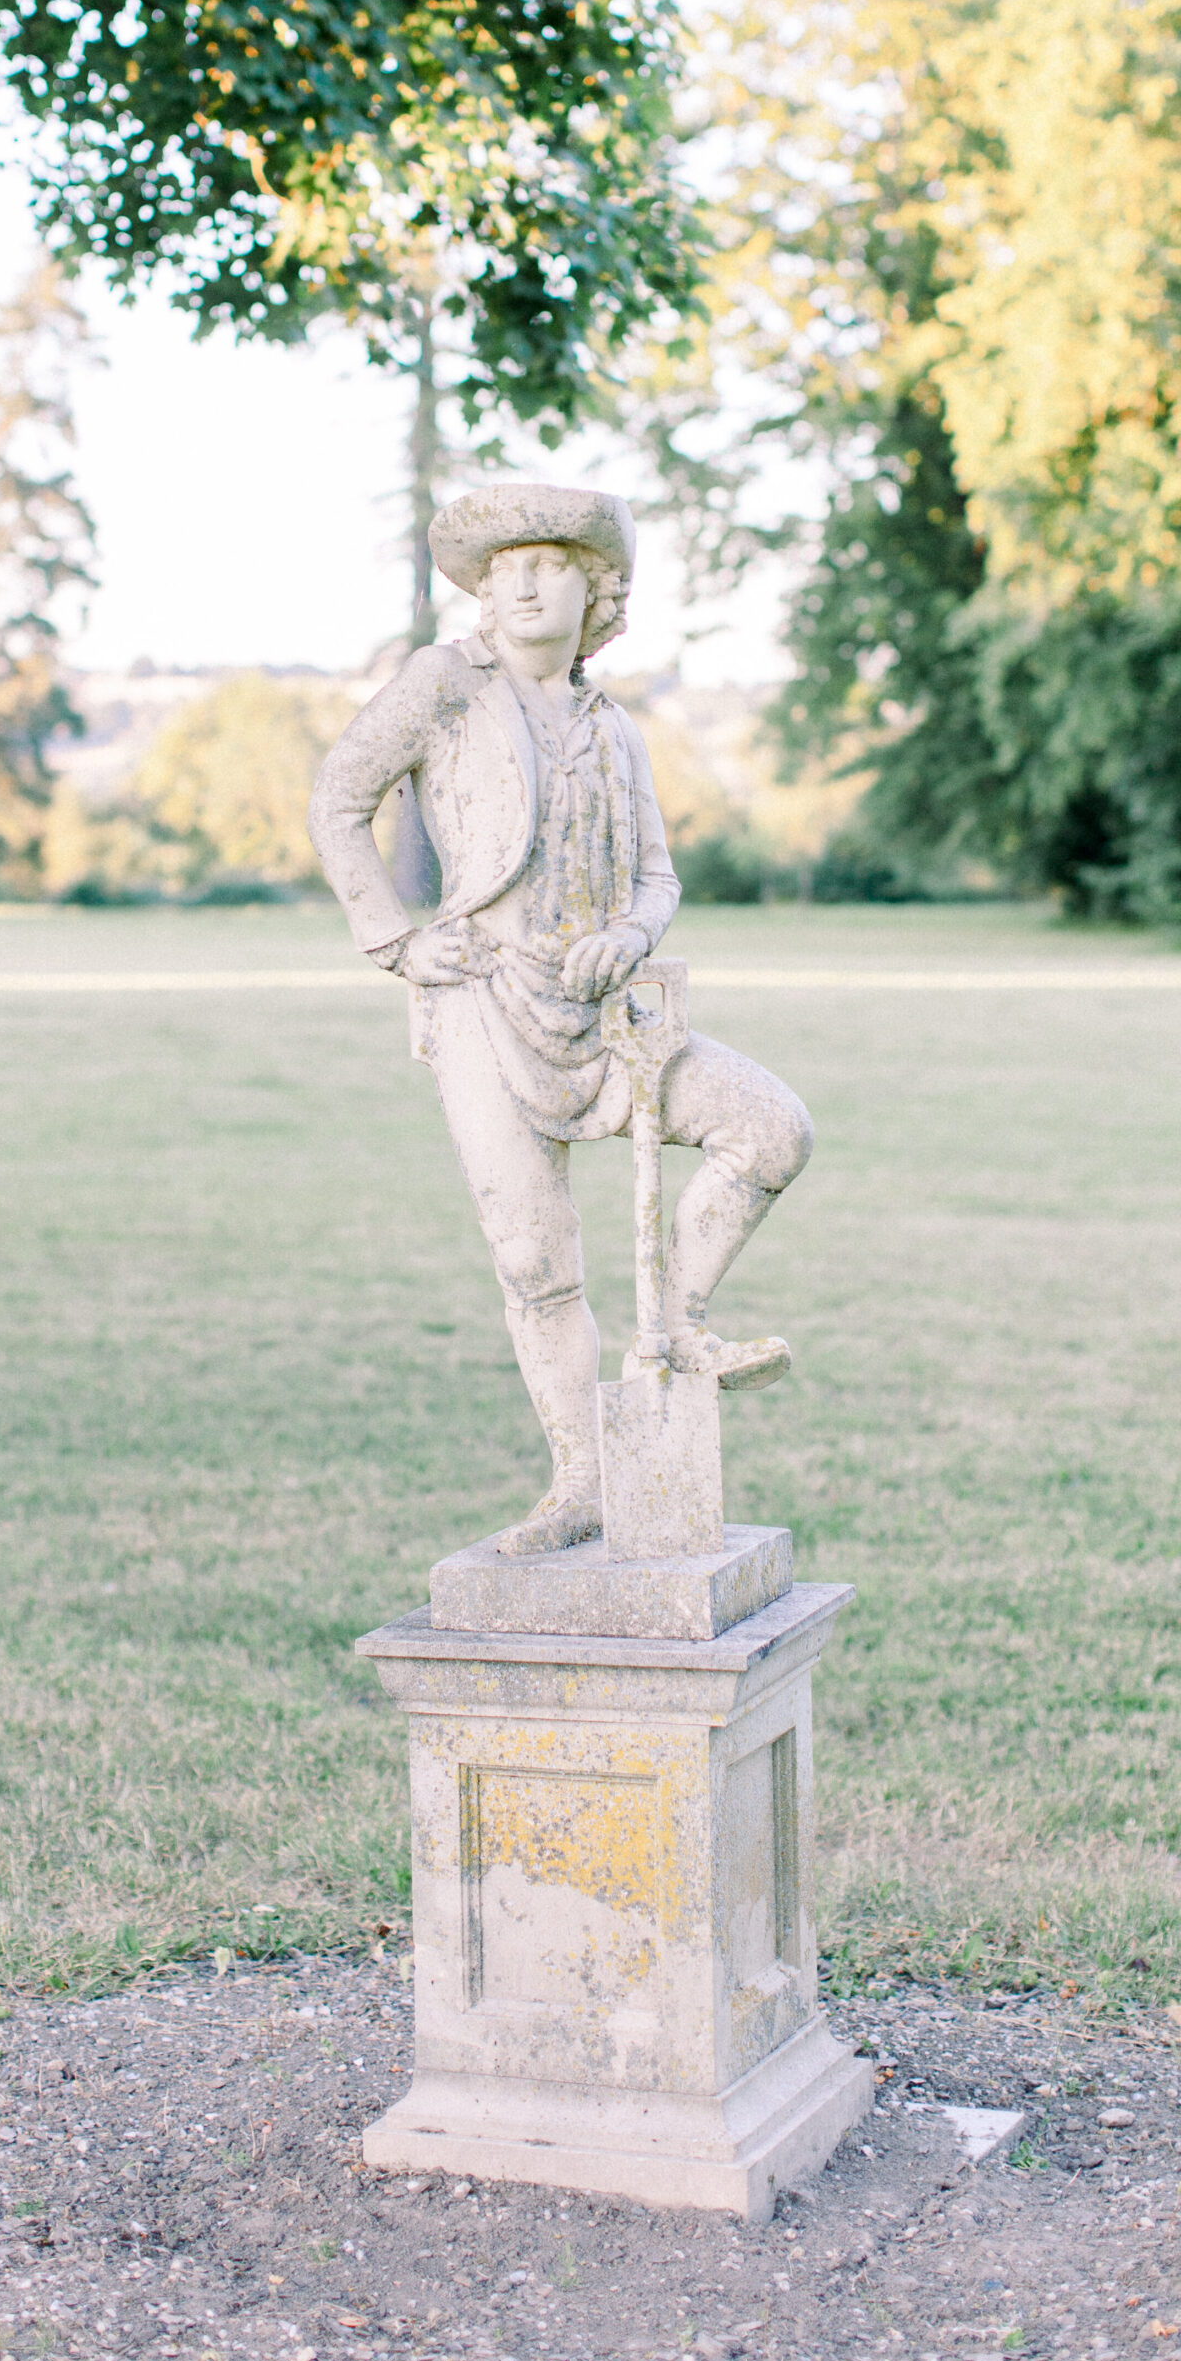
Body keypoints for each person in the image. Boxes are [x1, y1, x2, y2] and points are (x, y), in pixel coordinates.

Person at [308, 483, 812, 1557]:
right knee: (534, 1259)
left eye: (550, 564)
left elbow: (657, 874)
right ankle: (581, 1482)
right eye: (504, 569)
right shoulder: (443, 685)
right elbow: (338, 798)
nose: (523, 583)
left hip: (610, 1019)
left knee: (771, 1129)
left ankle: (672, 1326)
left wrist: (628, 935)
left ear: (597, 592)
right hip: (482, 1005)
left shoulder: (610, 725)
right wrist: (395, 942)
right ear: (483, 595)